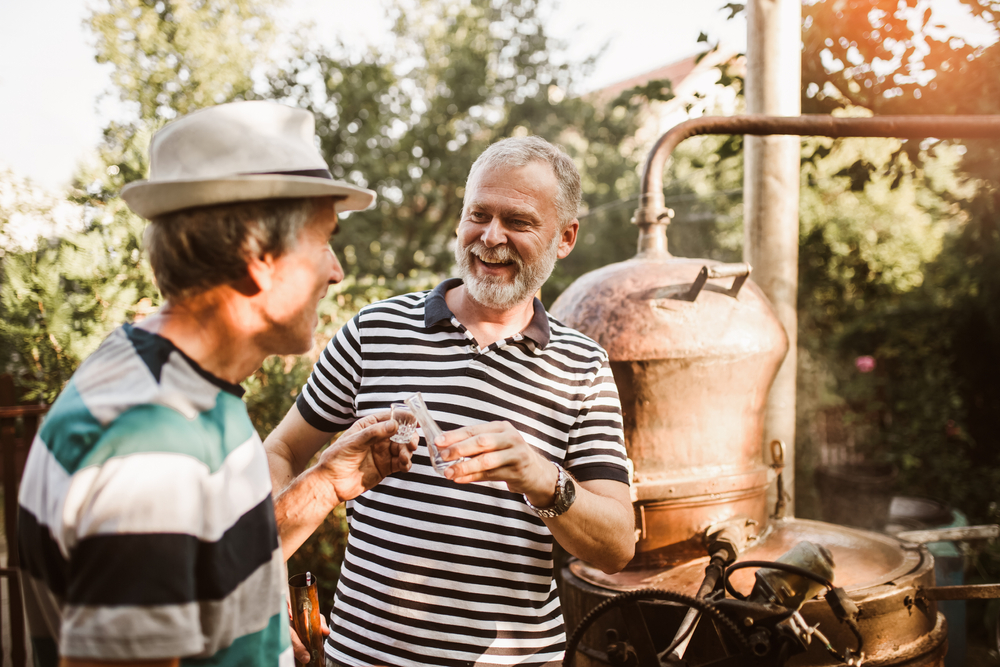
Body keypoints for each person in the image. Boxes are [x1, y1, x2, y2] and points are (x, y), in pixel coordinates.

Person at [17, 100, 416, 667]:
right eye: (323, 239)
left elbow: (209, 560)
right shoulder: (151, 446)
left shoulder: (172, 379)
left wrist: (327, 482)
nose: (336, 271)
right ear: (258, 256)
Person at [265, 136, 636, 667]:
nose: (491, 237)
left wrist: (540, 477)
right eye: (478, 215)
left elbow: (617, 546)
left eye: (519, 221)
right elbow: (279, 451)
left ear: (565, 237)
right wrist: (265, 579)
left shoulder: (582, 367)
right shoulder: (377, 330)